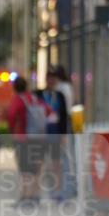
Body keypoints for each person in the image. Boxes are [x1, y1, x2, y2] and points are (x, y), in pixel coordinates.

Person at [7, 75, 47, 204]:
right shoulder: (34, 98)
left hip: (23, 138)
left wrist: (12, 131)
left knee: (25, 168)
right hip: (39, 138)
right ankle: (35, 194)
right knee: (36, 167)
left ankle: (25, 195)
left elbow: (12, 116)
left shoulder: (18, 100)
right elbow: (48, 112)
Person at [40, 68, 69, 200]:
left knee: (56, 162)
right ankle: (41, 190)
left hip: (55, 132)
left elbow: (63, 116)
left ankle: (57, 191)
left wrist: (64, 135)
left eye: (54, 78)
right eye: (49, 78)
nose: (51, 81)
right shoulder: (38, 95)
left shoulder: (60, 96)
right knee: (41, 163)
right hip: (42, 132)